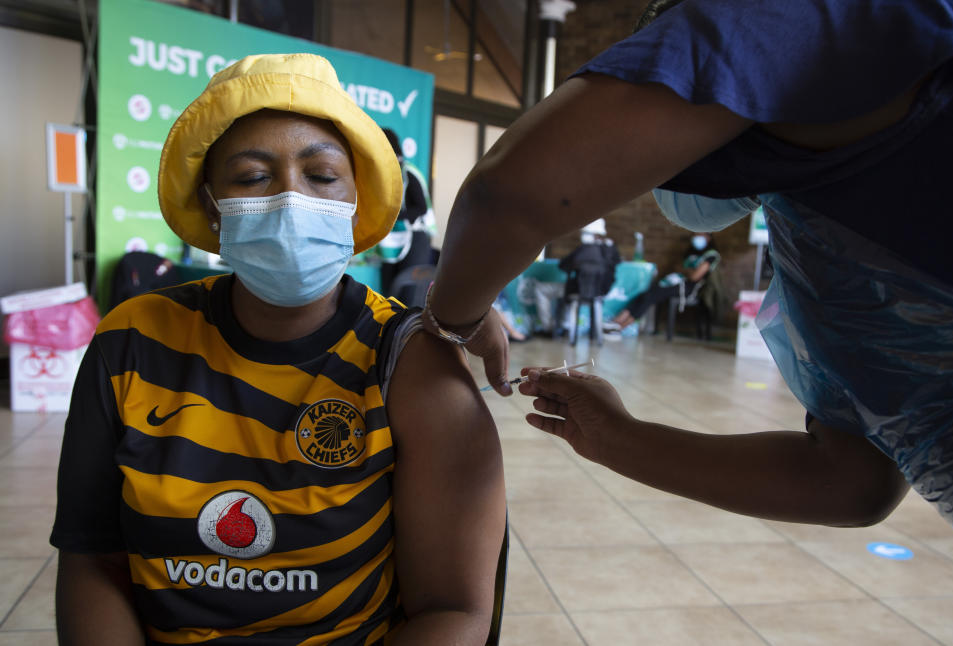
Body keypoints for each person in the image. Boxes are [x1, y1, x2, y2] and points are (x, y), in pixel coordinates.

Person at [421, 0, 953, 532]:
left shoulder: (814, 19)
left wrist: (456, 318)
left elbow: (508, 193)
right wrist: (617, 438)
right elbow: (853, 483)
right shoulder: (822, 221)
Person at [50, 54, 506, 645]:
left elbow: (455, 609)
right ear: (212, 206)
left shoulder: (407, 358)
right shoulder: (134, 341)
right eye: (251, 177)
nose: (292, 199)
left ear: (355, 201)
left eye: (321, 176)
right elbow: (92, 562)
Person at [611, 232, 718, 329]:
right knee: (649, 291)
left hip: (688, 287)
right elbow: (678, 267)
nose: (696, 237)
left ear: (708, 237)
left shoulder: (711, 255)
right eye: (695, 235)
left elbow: (695, 277)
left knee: (652, 294)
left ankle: (623, 324)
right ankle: (621, 318)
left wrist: (686, 271)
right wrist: (689, 271)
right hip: (676, 281)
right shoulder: (691, 252)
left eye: (700, 235)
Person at [378, 128, 436, 297]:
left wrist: (394, 216)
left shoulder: (409, 173)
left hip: (414, 240)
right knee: (388, 294)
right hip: (390, 241)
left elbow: (421, 208)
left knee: (409, 295)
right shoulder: (383, 175)